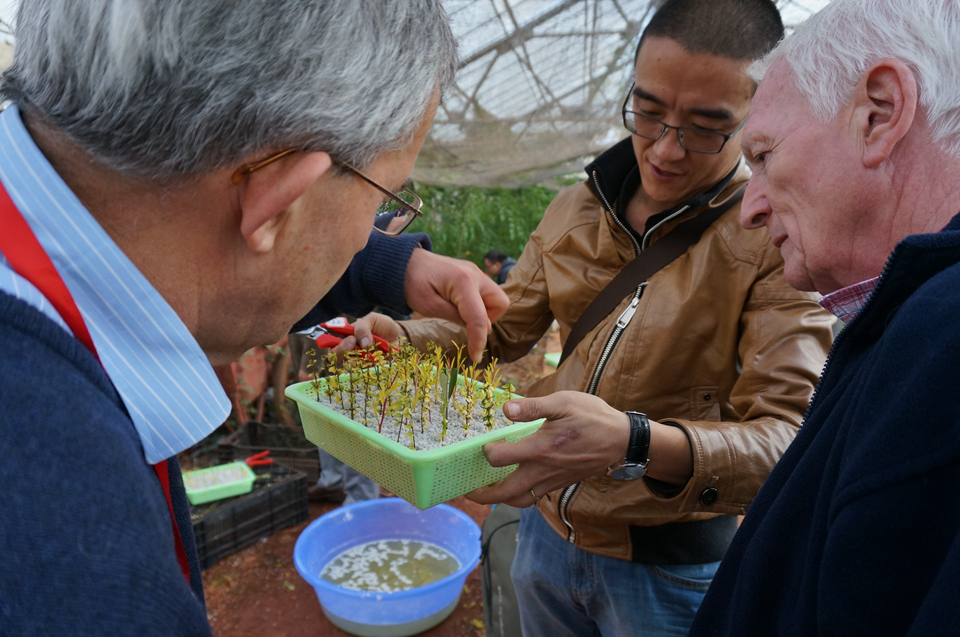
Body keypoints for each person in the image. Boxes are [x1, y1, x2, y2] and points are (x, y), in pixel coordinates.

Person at [0, 1, 509, 635]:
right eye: (385, 200)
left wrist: (384, 267)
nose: (368, 235)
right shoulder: (76, 562)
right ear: (277, 203)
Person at [352, 1, 835, 634]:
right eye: (649, 111)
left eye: (706, 127)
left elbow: (787, 440)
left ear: (755, 114)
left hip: (666, 569)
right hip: (546, 530)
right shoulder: (577, 209)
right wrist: (405, 337)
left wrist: (636, 441)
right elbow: (500, 332)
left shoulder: (769, 236)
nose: (665, 149)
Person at [686, 0, 960, 634]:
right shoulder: (907, 322)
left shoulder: (941, 347)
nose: (749, 208)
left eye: (763, 154)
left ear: (880, 113)